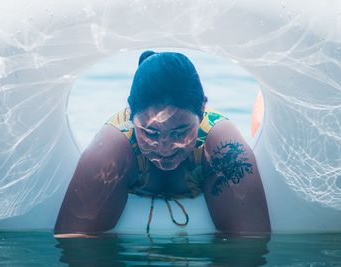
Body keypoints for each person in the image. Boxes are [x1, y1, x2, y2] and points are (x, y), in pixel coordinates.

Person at [54, 51, 271, 237]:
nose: (165, 147)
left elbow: (248, 246)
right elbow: (74, 243)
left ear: (203, 108)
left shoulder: (224, 149)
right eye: (151, 132)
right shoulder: (111, 152)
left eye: (180, 131)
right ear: (130, 111)